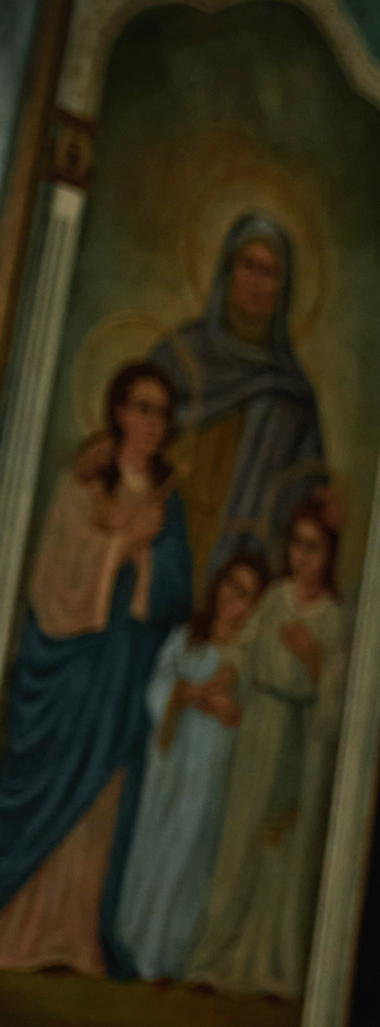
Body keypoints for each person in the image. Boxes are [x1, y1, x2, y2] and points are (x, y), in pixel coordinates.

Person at [0, 362, 192, 975]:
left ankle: (78, 938)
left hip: (127, 669)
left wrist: (150, 557)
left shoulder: (169, 502)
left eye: (161, 412)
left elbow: (179, 593)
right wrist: (120, 547)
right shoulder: (82, 482)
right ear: (118, 411)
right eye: (141, 408)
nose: (152, 423)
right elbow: (52, 576)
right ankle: (21, 931)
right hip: (75, 665)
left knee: (104, 797)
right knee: (54, 777)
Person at [187, 493, 347, 996]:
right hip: (260, 725)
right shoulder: (276, 597)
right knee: (238, 841)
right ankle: (214, 958)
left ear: (329, 555)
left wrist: (313, 656)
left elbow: (337, 695)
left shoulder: (331, 617)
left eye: (313, 547)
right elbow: (242, 648)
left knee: (280, 850)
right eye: (297, 544)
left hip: (298, 736)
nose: (302, 557)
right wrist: (226, 679)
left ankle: (270, 967)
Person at [147, 211, 326, 595]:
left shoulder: (291, 394)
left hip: (238, 566)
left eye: (270, 273)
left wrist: (322, 506)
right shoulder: (178, 355)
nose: (257, 282)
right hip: (160, 536)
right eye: (248, 266)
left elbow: (305, 491)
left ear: (283, 289)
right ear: (227, 271)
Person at [116, 551, 268, 978]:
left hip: (214, 769)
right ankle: (137, 943)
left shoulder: (249, 657)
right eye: (230, 585)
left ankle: (169, 953)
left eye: (246, 595)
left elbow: (254, 719)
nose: (232, 599)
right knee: (158, 843)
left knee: (192, 850)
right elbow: (157, 688)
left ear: (256, 608)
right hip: (173, 764)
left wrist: (233, 714)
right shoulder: (186, 637)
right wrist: (189, 693)